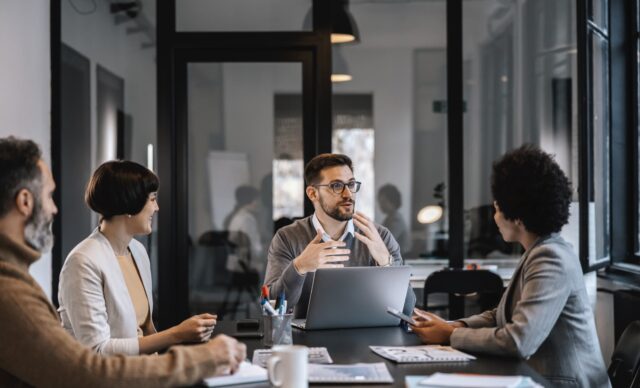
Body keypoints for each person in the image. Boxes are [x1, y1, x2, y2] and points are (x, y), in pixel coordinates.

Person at [0, 137, 245, 387]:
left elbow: (143, 332)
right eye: (50, 196)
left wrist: (181, 342)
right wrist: (193, 352)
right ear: (25, 201)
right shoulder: (21, 286)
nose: (54, 209)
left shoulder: (137, 251)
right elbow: (90, 364)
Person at [410, 145, 610, 388]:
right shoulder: (538, 251)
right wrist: (453, 325)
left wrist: (450, 335)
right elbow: (501, 315)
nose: (494, 218)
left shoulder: (550, 257)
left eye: (497, 208)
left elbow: (519, 340)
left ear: (517, 214)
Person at [57, 161, 218, 355]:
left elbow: (145, 330)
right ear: (129, 203)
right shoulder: (82, 262)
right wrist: (177, 334)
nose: (156, 207)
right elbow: (98, 350)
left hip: (143, 372)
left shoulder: (137, 250)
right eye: (152, 199)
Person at [264, 153, 415, 317]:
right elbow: (272, 308)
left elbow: (406, 311)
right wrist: (299, 267)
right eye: (336, 186)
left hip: (367, 337)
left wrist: (386, 262)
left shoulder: (380, 237)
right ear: (313, 194)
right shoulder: (287, 238)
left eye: (351, 184)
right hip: (307, 340)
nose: (348, 194)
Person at [225, 185, 264, 276]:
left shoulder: (237, 216)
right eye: (257, 200)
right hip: (245, 263)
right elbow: (254, 248)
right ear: (252, 200)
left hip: (235, 262)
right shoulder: (248, 219)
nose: (259, 203)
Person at [377, 184, 410, 254]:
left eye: (384, 202)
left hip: (400, 258)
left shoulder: (397, 220)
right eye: (380, 202)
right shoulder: (388, 218)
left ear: (393, 202)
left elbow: (386, 241)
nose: (381, 205)